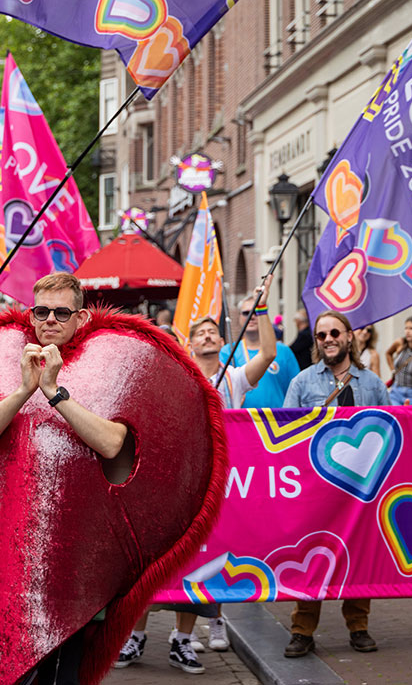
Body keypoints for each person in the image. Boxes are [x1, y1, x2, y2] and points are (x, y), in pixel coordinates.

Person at [0, 273, 128, 683]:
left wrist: (54, 391)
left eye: (61, 312)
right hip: (9, 547)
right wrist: (24, 389)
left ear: (82, 317)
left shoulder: (105, 365)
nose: (50, 320)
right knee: (4, 670)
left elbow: (112, 443)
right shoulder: (6, 362)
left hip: (74, 551)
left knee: (66, 674)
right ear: (30, 314)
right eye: (42, 311)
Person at [118, 274, 276, 674]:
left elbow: (268, 354)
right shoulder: (178, 378)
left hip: (215, 486)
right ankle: (135, 637)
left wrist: (261, 308)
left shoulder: (236, 379)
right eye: (200, 332)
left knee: (199, 565)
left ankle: (183, 640)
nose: (207, 335)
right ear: (190, 343)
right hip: (173, 485)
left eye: (212, 331)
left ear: (223, 342)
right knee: (156, 563)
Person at [283, 310, 389, 658]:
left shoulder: (372, 383)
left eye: (334, 333)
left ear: (349, 337)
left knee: (358, 558)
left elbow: (391, 433)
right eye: (321, 335)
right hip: (315, 492)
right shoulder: (302, 383)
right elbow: (286, 438)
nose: (328, 339)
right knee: (312, 559)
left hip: (361, 492)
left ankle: (358, 627)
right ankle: (302, 631)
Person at [220, 291, 299, 409]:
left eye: (256, 312)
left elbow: (295, 390)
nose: (251, 317)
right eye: (246, 313)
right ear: (239, 318)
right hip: (242, 421)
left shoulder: (283, 351)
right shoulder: (228, 351)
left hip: (276, 421)